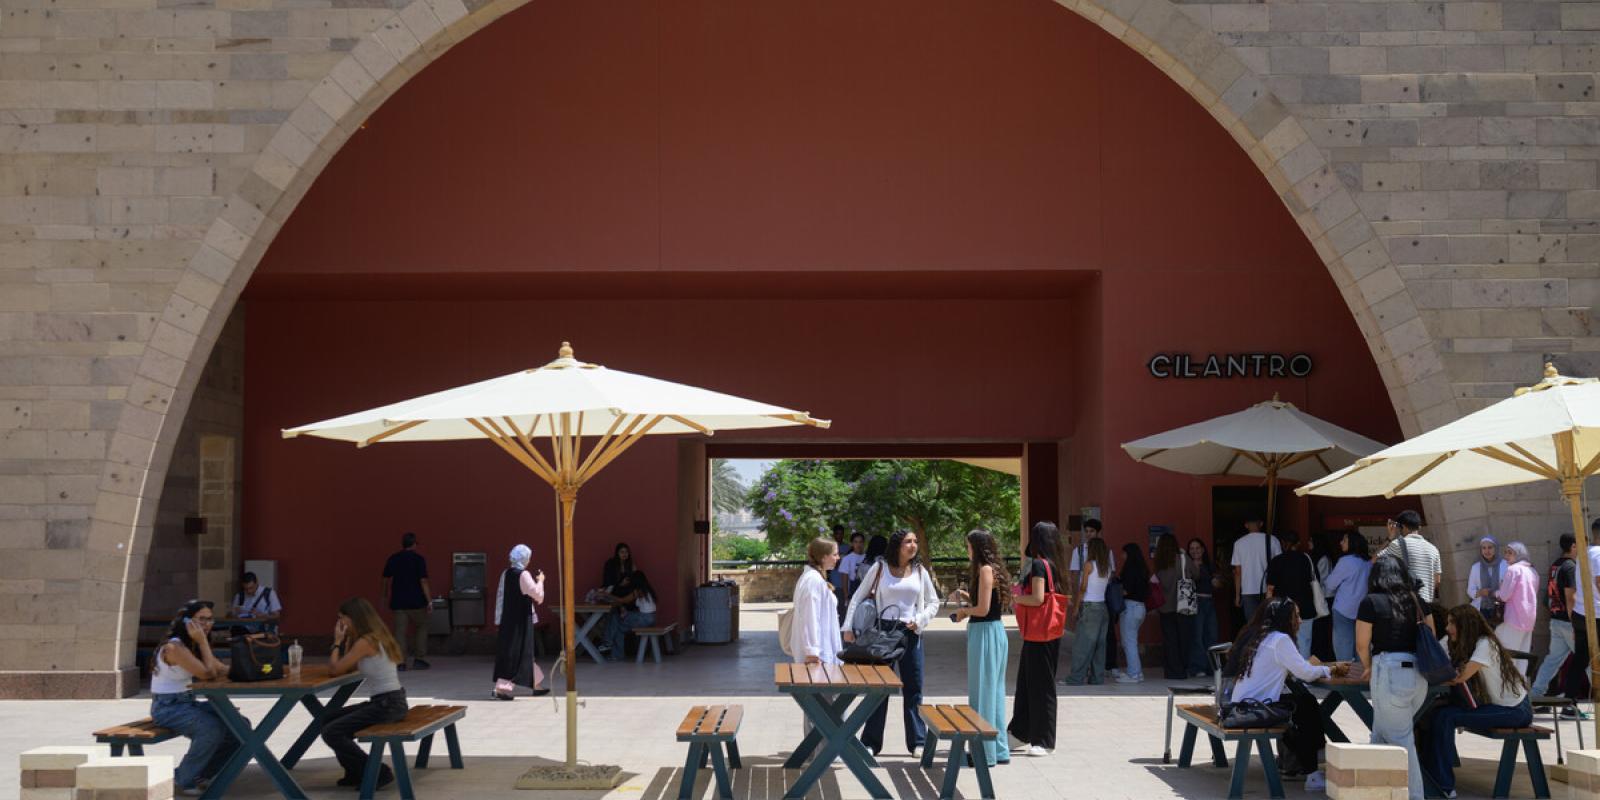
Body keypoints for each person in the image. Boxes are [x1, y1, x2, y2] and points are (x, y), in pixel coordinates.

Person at [1224, 596, 1344, 782]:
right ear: (1285, 618)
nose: (1300, 620)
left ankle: (1301, 762)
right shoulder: (1280, 640)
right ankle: (1311, 771)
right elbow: (1306, 673)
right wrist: (1330, 669)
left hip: (1242, 705)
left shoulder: (1259, 636)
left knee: (1305, 703)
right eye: (1296, 616)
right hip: (1255, 709)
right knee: (1304, 710)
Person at [843, 530, 940, 756]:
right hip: (882, 632)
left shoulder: (919, 570)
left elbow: (933, 602)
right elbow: (858, 597)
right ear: (897, 545)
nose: (913, 545)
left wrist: (920, 620)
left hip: (910, 632)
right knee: (879, 688)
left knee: (913, 687)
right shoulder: (880, 568)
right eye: (908, 541)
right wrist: (848, 627)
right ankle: (871, 742)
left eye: (916, 541)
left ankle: (918, 741)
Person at [1422, 605, 1532, 799]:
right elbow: (1436, 653)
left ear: (1466, 626)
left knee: (1446, 716)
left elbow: (1460, 677)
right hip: (1499, 707)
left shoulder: (1486, 644)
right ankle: (1434, 778)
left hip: (1515, 711)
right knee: (1436, 714)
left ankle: (1444, 786)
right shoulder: (1460, 641)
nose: (1447, 628)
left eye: (1452, 623)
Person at [1357, 554, 1432, 800]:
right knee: (1380, 734)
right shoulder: (1418, 600)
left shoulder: (1371, 602)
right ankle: (1377, 794)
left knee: (1401, 741)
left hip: (1388, 671)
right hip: (1419, 674)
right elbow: (1431, 635)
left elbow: (1361, 644)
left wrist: (1368, 667)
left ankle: (1415, 796)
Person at [149, 600, 238, 797]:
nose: (206, 624)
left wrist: (255, 670)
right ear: (187, 621)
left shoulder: (192, 646)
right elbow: (208, 674)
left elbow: (219, 668)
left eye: (210, 619)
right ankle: (182, 779)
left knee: (239, 725)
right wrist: (203, 642)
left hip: (186, 703)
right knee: (210, 728)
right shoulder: (174, 648)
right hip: (167, 707)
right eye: (201, 619)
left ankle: (202, 774)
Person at [321, 597, 407, 790]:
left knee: (332, 732)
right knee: (328, 718)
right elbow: (348, 667)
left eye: (342, 618)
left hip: (386, 705)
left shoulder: (366, 641)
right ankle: (355, 772)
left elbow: (335, 670)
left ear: (353, 618)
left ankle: (377, 771)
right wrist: (347, 641)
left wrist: (336, 642)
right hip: (391, 701)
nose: (340, 623)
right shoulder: (375, 636)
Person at [951, 530, 1011, 768]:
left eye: (968, 546)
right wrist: (967, 597)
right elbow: (988, 604)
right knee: (993, 692)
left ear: (976, 548)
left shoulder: (985, 570)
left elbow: (983, 610)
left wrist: (964, 611)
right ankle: (998, 749)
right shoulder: (991, 569)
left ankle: (983, 753)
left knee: (982, 694)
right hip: (991, 632)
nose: (967, 550)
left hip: (985, 632)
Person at [1010, 521, 1067, 755]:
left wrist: (1016, 598)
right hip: (1046, 632)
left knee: (1040, 686)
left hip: (1039, 633)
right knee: (1027, 682)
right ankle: (1019, 732)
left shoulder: (1038, 565)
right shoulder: (1056, 564)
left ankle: (1043, 740)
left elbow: (1037, 598)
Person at [493, 544, 549, 699]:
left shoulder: (506, 573)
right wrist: (541, 581)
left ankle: (536, 684)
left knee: (523, 651)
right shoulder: (523, 575)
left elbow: (500, 596)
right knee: (516, 652)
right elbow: (537, 595)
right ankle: (501, 689)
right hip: (521, 620)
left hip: (508, 618)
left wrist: (498, 617)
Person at [1532, 533, 1577, 696]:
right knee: (1586, 661)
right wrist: (1575, 624)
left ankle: (1535, 694)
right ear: (1573, 546)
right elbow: (1571, 597)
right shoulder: (1570, 566)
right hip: (1568, 622)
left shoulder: (1555, 565)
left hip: (1556, 621)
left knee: (1552, 661)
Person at [1063, 537, 1112, 686]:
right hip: (1102, 607)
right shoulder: (1107, 567)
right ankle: (1097, 678)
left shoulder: (1089, 565)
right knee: (1099, 646)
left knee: (1083, 645)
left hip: (1089, 607)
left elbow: (1083, 588)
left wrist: (1076, 607)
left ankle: (1076, 678)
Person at [381, 531, 432, 671]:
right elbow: (423, 581)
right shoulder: (419, 559)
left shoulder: (393, 558)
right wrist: (429, 601)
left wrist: (384, 596)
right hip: (417, 601)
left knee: (399, 632)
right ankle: (419, 659)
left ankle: (401, 662)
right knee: (421, 627)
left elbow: (385, 579)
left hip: (398, 601)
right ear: (414, 544)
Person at [1265, 530, 1319, 658]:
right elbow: (1315, 581)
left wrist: (1268, 608)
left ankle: (1288, 674)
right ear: (1299, 543)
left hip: (1283, 607)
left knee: (1283, 642)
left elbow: (1270, 589)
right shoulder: (1306, 559)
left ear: (1282, 544)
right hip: (1305, 606)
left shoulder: (1276, 561)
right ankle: (1303, 673)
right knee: (1304, 641)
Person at [790, 536, 843, 666]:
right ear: (823, 557)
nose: (838, 558)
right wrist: (812, 652)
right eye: (835, 554)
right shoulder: (813, 581)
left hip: (822, 654)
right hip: (818, 657)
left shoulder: (815, 578)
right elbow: (810, 617)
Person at [1324, 531, 1372, 662]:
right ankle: (1361, 678)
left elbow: (1330, 584)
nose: (1341, 543)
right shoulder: (1367, 562)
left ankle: (1344, 679)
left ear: (1352, 543)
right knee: (1362, 647)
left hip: (1343, 610)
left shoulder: (1345, 561)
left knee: (1343, 648)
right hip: (1362, 610)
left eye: (1344, 540)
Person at [1152, 533, 1194, 679]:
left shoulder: (1159, 562)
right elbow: (1196, 574)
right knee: (1184, 638)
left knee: (1169, 640)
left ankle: (1171, 670)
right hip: (1183, 605)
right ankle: (1182, 669)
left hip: (1165, 607)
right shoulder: (1182, 559)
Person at [1567, 520, 1600, 701]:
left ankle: (1569, 702)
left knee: (1579, 660)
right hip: (1596, 614)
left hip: (1581, 613)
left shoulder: (1584, 554)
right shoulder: (1599, 554)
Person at [1494, 541, 1539, 676]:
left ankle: (1509, 690)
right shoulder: (1533, 571)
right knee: (1522, 658)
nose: (1506, 556)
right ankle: (1521, 690)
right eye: (1506, 552)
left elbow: (1504, 595)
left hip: (1513, 619)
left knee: (1507, 655)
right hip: (1529, 620)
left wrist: (1495, 593)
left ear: (1519, 554)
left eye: (1510, 553)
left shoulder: (1513, 570)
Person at [1380, 510, 1441, 604]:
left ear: (1403, 527)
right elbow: (1437, 581)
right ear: (1419, 527)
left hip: (1405, 604)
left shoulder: (1397, 545)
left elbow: (1374, 560)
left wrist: (1390, 537)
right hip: (1426, 605)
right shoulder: (1433, 549)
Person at [1231, 516, 1282, 622]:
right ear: (1261, 523)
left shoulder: (1239, 543)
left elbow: (1238, 572)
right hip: (1269, 588)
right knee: (1269, 622)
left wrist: (1237, 595)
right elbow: (1279, 566)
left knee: (1253, 624)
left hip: (1248, 590)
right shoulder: (1272, 540)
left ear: (1246, 525)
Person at [601, 570, 658, 661]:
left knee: (615, 617)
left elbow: (623, 600)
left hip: (644, 618)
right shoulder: (647, 589)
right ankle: (615, 652)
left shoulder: (639, 590)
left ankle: (608, 643)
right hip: (651, 618)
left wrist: (608, 595)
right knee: (618, 628)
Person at [1116, 542, 1151, 684]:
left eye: (1124, 553)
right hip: (1140, 607)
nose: (1122, 556)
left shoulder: (1130, 569)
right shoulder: (1143, 569)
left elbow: (1126, 590)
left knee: (1129, 641)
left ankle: (1134, 673)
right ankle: (1136, 672)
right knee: (1131, 641)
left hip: (1130, 607)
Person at [1185, 538, 1220, 677]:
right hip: (1196, 602)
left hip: (1209, 602)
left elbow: (1218, 584)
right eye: (1192, 549)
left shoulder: (1209, 565)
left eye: (1197, 548)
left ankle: (1211, 668)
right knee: (1197, 636)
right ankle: (1197, 667)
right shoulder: (1187, 565)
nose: (1195, 551)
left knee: (1212, 635)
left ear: (1203, 549)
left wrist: (1218, 582)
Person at [1466, 536, 1506, 620]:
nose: (1487, 551)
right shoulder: (1476, 567)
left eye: (1490, 547)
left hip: (1501, 607)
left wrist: (1497, 593)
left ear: (1496, 548)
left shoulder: (1505, 565)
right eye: (1484, 548)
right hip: (1482, 608)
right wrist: (1480, 592)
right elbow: (1470, 590)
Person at [1068, 518, 1109, 595]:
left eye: (1092, 531)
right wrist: (1076, 594)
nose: (1088, 534)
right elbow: (1075, 574)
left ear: (1098, 533)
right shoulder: (1078, 550)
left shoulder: (1107, 551)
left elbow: (1111, 573)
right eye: (1086, 531)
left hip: (1102, 594)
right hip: (1084, 594)